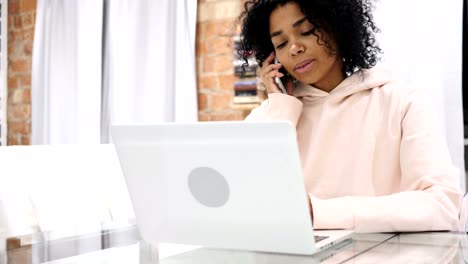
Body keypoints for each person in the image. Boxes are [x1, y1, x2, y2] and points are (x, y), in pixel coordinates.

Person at [237, 0, 462, 232]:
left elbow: (442, 205)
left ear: (338, 26)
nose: (294, 48)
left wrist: (319, 212)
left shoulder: (402, 102)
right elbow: (247, 204)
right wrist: (281, 107)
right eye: (281, 43)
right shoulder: (271, 116)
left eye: (306, 31)